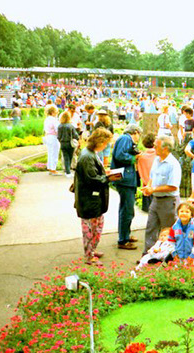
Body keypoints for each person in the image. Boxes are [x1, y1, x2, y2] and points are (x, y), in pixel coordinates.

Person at [73, 127, 117, 266]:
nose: (106, 146)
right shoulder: (87, 156)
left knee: (95, 226)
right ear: (99, 142)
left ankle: (92, 251)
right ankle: (89, 255)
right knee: (90, 229)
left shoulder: (89, 153)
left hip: (91, 199)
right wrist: (109, 178)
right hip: (89, 200)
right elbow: (93, 180)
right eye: (105, 143)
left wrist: (106, 174)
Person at [142, 135, 182, 254]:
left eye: (156, 145)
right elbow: (152, 177)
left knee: (168, 230)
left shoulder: (173, 164)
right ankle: (148, 255)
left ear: (165, 148)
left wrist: (153, 189)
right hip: (156, 199)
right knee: (151, 227)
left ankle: (167, 256)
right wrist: (149, 187)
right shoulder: (156, 159)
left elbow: (173, 186)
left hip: (169, 201)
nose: (153, 147)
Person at [111, 124, 142, 250]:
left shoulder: (124, 139)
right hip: (125, 179)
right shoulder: (125, 138)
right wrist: (134, 158)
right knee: (127, 209)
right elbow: (120, 155)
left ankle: (126, 235)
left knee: (127, 208)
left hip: (127, 179)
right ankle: (123, 240)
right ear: (135, 132)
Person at [136, 133, 157, 213]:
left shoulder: (141, 157)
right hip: (156, 186)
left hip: (145, 185)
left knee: (149, 211)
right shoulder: (158, 155)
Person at [57, 111, 80, 177]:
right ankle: (68, 172)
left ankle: (67, 171)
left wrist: (61, 141)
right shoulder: (71, 126)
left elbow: (58, 136)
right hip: (70, 143)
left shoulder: (60, 126)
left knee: (65, 157)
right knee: (70, 157)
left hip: (63, 143)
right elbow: (75, 135)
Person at [43, 105, 61, 175]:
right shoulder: (54, 120)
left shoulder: (47, 119)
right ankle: (53, 169)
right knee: (54, 153)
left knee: (50, 153)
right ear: (53, 112)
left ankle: (50, 168)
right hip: (53, 137)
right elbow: (57, 129)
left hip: (48, 136)